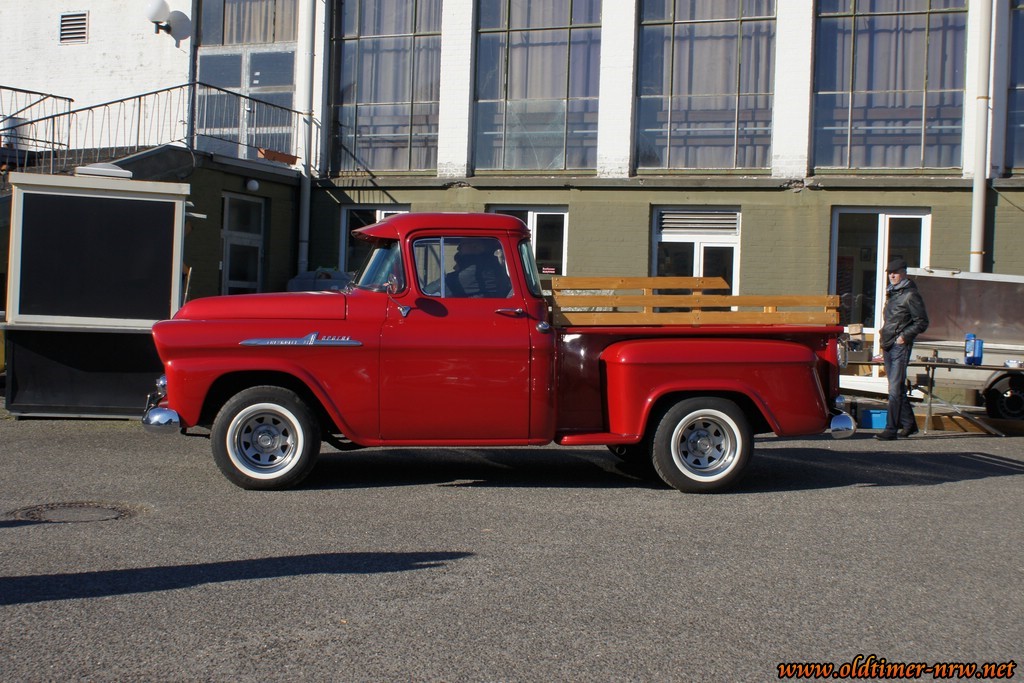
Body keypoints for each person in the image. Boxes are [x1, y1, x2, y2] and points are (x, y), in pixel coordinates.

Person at [875, 258, 929, 441]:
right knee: (896, 387)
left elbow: (922, 322)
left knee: (894, 389)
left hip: (899, 346)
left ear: (904, 273)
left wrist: (904, 337)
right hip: (888, 344)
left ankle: (891, 429)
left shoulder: (910, 295)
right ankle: (909, 424)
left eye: (895, 273)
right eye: (890, 273)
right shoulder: (892, 293)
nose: (892, 276)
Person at [445, 238, 511, 298]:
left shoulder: (482, 268)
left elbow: (447, 285)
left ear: (475, 246)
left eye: (461, 245)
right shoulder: (488, 264)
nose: (458, 248)